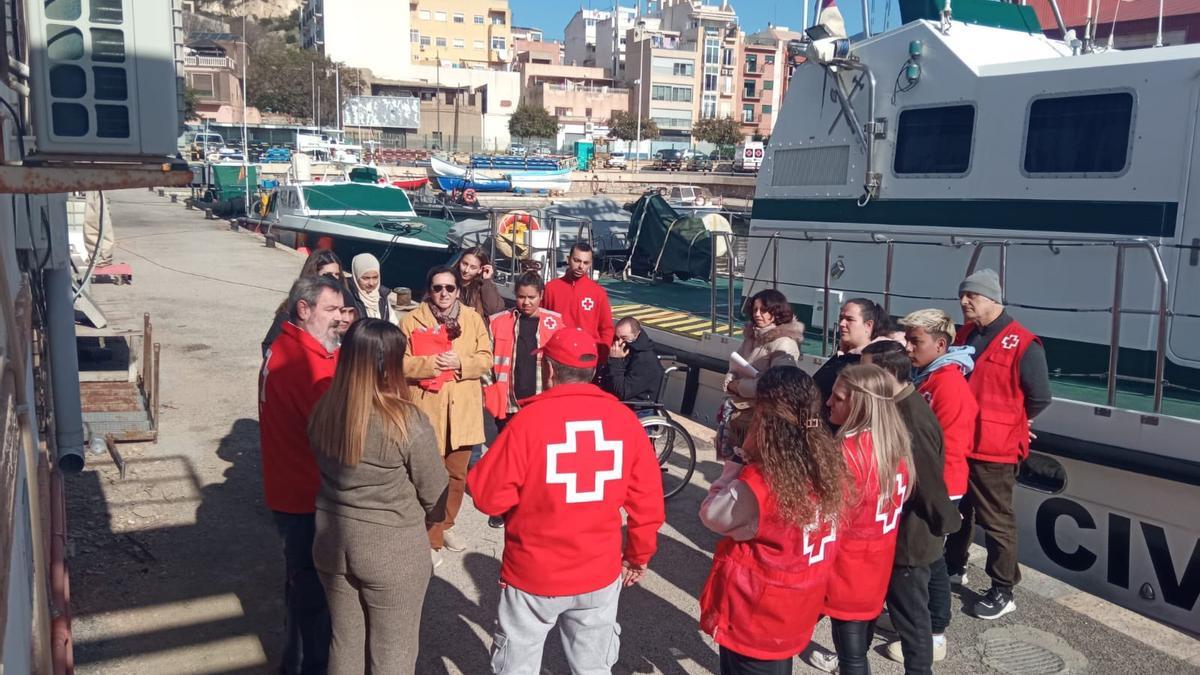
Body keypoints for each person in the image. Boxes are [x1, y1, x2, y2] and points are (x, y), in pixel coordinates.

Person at [467, 328, 666, 675]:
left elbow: (487, 496)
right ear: (594, 370)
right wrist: (638, 556)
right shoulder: (625, 422)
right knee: (593, 667)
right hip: (599, 572)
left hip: (534, 573)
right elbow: (648, 503)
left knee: (517, 665)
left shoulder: (526, 423)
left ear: (549, 369)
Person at [308, 319, 449, 675]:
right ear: (390, 364)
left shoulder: (325, 409)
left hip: (332, 540)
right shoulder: (406, 420)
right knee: (394, 655)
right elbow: (435, 492)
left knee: (344, 645)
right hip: (392, 547)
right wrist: (432, 518)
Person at [699, 367, 848, 675]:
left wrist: (737, 462)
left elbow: (712, 515)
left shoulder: (761, 482)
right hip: (799, 602)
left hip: (756, 611)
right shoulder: (829, 463)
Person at [945, 269, 1051, 620]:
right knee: (959, 512)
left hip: (995, 448)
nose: (964, 302)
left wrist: (1019, 420)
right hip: (963, 441)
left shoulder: (1023, 343)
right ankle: (954, 566)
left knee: (996, 520)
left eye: (971, 296)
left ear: (992, 299)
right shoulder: (966, 333)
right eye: (963, 296)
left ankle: (1003, 588)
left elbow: (1039, 396)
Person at [258, 274, 345, 675]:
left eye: (342, 310)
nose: (339, 319)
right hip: (307, 496)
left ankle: (295, 662)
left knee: (301, 591)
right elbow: (335, 435)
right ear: (304, 309)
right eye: (331, 310)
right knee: (313, 599)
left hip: (293, 488)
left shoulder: (290, 347)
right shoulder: (301, 365)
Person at [861, 341, 963, 672]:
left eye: (867, 372)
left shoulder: (910, 418)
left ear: (888, 373)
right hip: (912, 532)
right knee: (919, 605)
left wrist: (945, 522)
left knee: (913, 622)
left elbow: (928, 481)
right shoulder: (903, 405)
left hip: (910, 536)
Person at [823, 364, 913, 675]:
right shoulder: (895, 447)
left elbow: (827, 515)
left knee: (852, 657)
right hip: (876, 564)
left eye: (837, 397)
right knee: (857, 647)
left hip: (846, 568)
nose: (828, 402)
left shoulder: (848, 453)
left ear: (859, 404)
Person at [400, 266, 492, 564]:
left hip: (463, 411)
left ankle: (446, 525)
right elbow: (400, 363)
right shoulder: (411, 320)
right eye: (438, 288)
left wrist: (461, 362)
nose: (443, 293)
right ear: (429, 289)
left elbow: (486, 359)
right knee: (428, 477)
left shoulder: (472, 319)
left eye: (449, 288)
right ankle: (429, 536)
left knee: (457, 476)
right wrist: (430, 365)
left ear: (458, 290)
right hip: (429, 408)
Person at [717, 289, 803, 460]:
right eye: (754, 310)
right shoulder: (752, 337)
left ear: (776, 312)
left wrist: (736, 386)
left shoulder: (784, 344)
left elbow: (777, 385)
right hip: (740, 412)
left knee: (744, 464)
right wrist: (730, 378)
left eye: (763, 310)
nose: (757, 314)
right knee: (733, 465)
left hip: (759, 418)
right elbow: (736, 363)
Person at [484, 271, 564, 425]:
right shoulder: (497, 322)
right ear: (515, 295)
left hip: (541, 402)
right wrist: (489, 391)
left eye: (531, 297)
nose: (526, 302)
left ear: (541, 295)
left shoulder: (555, 323)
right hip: (507, 403)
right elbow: (486, 359)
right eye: (521, 297)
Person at [263, 248, 346, 358]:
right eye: (327, 275)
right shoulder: (288, 312)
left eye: (337, 274)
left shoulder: (345, 304)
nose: (333, 279)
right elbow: (270, 346)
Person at [542, 243, 615, 361]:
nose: (581, 266)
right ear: (568, 259)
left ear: (590, 264)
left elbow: (607, 328)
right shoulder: (551, 288)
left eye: (586, 263)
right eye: (577, 260)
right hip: (557, 355)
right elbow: (541, 321)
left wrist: (601, 356)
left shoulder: (598, 293)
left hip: (587, 357)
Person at [812, 298, 886, 402]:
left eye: (850, 319)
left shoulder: (864, 364)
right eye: (841, 318)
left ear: (868, 325)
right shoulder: (842, 357)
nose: (842, 324)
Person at [605, 317, 664, 403]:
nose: (619, 342)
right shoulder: (625, 350)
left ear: (636, 334)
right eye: (617, 338)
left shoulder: (645, 360)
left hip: (635, 405)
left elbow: (622, 392)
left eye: (624, 338)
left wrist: (615, 361)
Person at [346, 253, 397, 325]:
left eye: (375, 277)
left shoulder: (382, 296)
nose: (371, 283)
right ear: (356, 276)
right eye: (366, 278)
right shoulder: (347, 297)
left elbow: (393, 322)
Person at [458, 247, 506, 320]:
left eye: (473, 267)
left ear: (480, 269)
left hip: (477, 330)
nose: (466, 270)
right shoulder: (449, 281)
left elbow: (493, 310)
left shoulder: (483, 286)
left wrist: (487, 281)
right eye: (464, 264)